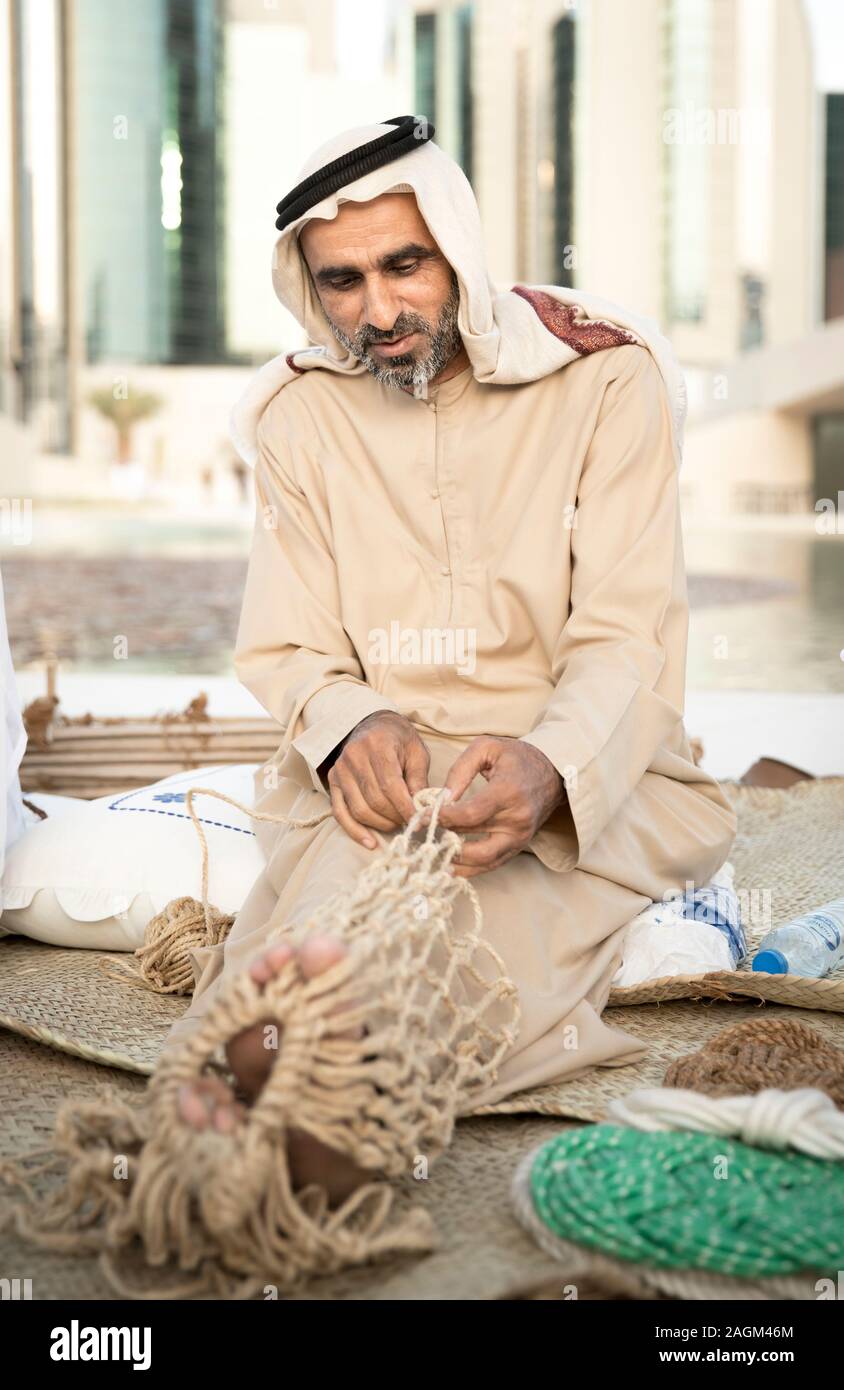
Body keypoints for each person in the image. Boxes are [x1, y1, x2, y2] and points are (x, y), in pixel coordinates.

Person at [172, 118, 736, 1202]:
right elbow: (290, 641)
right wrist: (346, 725)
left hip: (586, 769)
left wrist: (544, 767)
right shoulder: (298, 416)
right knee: (312, 943)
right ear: (309, 286)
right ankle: (267, 1084)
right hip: (382, 786)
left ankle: (350, 1111)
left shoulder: (603, 381)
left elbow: (627, 636)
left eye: (404, 264)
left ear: (457, 247)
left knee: (476, 939)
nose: (378, 311)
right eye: (343, 281)